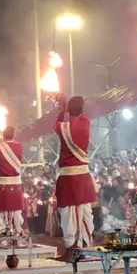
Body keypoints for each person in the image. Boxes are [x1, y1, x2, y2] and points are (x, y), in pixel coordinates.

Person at [54, 94, 98, 253]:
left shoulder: (62, 128)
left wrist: (62, 110)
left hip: (66, 177)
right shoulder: (86, 123)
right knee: (85, 210)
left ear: (68, 110)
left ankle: (71, 246)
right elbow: (81, 114)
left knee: (67, 213)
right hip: (82, 176)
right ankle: (85, 244)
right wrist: (68, 107)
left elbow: (56, 124)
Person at [0, 125, 26, 235]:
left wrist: (2, 141)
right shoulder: (20, 146)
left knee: (0, 212)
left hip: (2, 185)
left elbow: (0, 148)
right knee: (17, 211)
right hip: (16, 184)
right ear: (14, 135)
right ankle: (19, 233)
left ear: (3, 135)